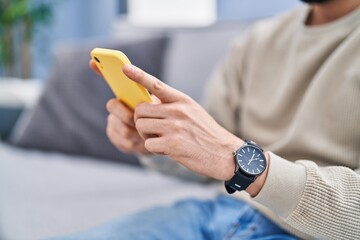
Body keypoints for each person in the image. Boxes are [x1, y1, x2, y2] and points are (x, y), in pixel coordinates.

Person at [55, 0, 360, 239]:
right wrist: (157, 143)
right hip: (219, 212)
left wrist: (244, 164)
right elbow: (209, 161)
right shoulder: (256, 41)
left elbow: (227, 156)